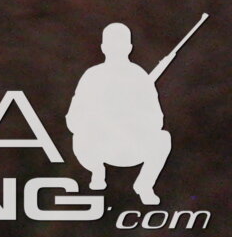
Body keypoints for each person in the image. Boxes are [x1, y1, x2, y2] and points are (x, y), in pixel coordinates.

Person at [68, 21, 175, 206]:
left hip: (132, 145)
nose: (116, 48)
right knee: (78, 138)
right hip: (99, 146)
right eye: (111, 44)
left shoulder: (140, 77)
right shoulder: (92, 76)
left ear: (129, 47)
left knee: (163, 139)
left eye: (120, 44)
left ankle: (144, 185)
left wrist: (133, 121)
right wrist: (95, 122)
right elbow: (73, 117)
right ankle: (96, 171)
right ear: (103, 47)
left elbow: (157, 118)